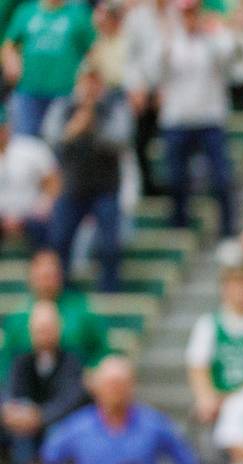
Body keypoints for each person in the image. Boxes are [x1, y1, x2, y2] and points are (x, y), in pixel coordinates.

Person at [41, 356, 198, 464]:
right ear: (95, 387)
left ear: (132, 385)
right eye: (109, 384)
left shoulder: (154, 425)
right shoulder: (76, 427)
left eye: (121, 383)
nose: (115, 390)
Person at [41, 65, 130, 293]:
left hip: (106, 188)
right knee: (59, 240)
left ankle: (110, 291)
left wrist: (94, 127)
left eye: (95, 80)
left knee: (110, 245)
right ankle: (63, 291)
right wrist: (74, 129)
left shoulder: (114, 106)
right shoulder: (64, 106)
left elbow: (122, 139)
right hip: (72, 188)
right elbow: (50, 137)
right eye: (86, 80)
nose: (90, 86)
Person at [156, 0, 236, 237]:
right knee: (176, 179)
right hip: (177, 119)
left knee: (221, 178)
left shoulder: (214, 36)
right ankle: (179, 225)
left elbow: (230, 61)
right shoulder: (169, 38)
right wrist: (167, 41)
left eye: (192, 11)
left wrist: (211, 33)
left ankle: (227, 230)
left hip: (210, 117)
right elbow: (156, 72)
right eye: (184, 12)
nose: (188, 17)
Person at [3, 300, 86, 464]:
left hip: (56, 423)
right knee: (20, 432)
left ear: (58, 329)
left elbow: (69, 400)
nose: (43, 334)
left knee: (56, 433)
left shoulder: (72, 361)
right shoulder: (21, 360)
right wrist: (14, 412)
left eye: (47, 328)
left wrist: (40, 416)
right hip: (26, 424)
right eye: (39, 330)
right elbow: (12, 391)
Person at [186, 263, 243, 427]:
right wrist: (206, 397)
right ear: (225, 289)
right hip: (220, 396)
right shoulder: (209, 324)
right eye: (235, 285)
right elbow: (197, 367)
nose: (241, 291)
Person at [0, 0, 95, 137]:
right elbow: (9, 45)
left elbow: (92, 49)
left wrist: (85, 77)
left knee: (56, 141)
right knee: (25, 143)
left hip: (64, 92)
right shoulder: (27, 11)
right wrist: (11, 61)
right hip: (28, 91)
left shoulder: (77, 13)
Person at [0, 101, 58, 251]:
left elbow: (53, 182)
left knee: (49, 227)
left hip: (31, 215)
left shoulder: (30, 147)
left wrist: (42, 206)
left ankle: (44, 265)